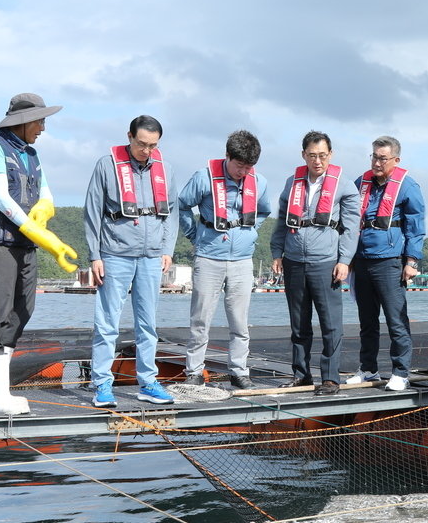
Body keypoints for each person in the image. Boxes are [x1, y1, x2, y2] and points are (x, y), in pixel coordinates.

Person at [0, 92, 78, 417]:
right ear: (22, 121)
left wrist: (44, 210)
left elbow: (45, 194)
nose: (43, 128)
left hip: (25, 247)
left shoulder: (32, 154)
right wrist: (38, 232)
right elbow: (1, 198)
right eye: (40, 121)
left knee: (23, 310)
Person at [84, 115, 178, 409]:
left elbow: (171, 212)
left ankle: (148, 382)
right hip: (115, 253)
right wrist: (95, 255)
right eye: (141, 144)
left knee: (148, 324)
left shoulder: (165, 169)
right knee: (107, 323)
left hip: (151, 256)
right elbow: (92, 211)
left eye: (153, 146)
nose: (146, 151)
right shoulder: (106, 165)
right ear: (129, 137)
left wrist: (167, 248)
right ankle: (102, 384)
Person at [178, 130, 271, 390]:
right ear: (227, 156)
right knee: (200, 319)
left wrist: (250, 233)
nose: (243, 172)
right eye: (239, 165)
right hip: (209, 256)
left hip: (242, 260)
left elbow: (264, 211)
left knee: (240, 321)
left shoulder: (259, 182)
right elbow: (182, 205)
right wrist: (194, 235)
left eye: (248, 167)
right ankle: (194, 371)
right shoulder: (203, 177)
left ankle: (239, 371)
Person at [270, 131, 360, 396]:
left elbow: (351, 228)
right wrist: (277, 252)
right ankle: (301, 375)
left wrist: (345, 260)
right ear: (303, 155)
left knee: (331, 324)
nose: (317, 161)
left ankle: (330, 378)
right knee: (299, 323)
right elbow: (281, 221)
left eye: (322, 155)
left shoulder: (344, 185)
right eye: (312, 155)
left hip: (326, 262)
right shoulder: (292, 183)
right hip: (294, 260)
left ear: (330, 154)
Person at [347, 136, 426, 391]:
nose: (377, 163)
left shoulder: (408, 186)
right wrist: (346, 258)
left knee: (396, 320)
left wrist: (412, 261)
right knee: (367, 321)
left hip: (390, 261)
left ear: (396, 160)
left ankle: (400, 372)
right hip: (362, 260)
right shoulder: (361, 183)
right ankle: (368, 369)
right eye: (374, 157)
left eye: (382, 158)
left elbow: (416, 226)